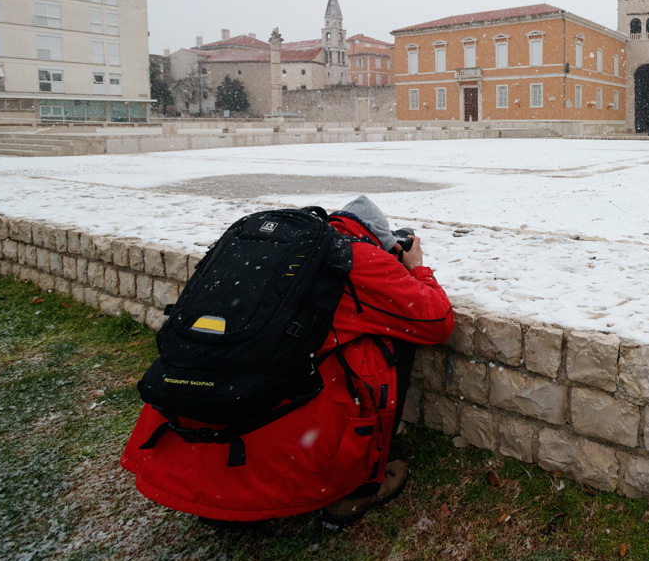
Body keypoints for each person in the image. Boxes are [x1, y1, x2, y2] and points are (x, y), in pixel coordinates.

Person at [120, 196, 454, 528]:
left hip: (190, 421)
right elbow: (436, 321)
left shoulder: (277, 248)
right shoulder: (357, 257)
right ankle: (357, 489)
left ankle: (224, 496)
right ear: (381, 240)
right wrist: (416, 267)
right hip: (276, 432)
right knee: (387, 342)